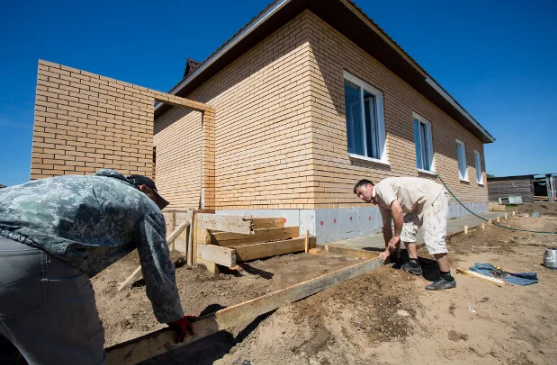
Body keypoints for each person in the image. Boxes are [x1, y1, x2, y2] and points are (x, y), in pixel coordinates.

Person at [0, 169, 195, 365]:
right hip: (31, 257)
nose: (156, 206)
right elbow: (157, 266)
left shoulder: (83, 185)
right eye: (156, 198)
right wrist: (174, 316)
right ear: (144, 188)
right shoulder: (143, 202)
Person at [353, 177, 456, 290]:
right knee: (406, 228)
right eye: (359, 196)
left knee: (432, 235)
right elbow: (387, 227)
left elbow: (398, 210)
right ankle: (414, 263)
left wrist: (396, 236)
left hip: (434, 197)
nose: (361, 197)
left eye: (361, 193)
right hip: (419, 205)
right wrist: (387, 251)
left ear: (369, 186)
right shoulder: (381, 203)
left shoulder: (381, 187)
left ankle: (447, 278)